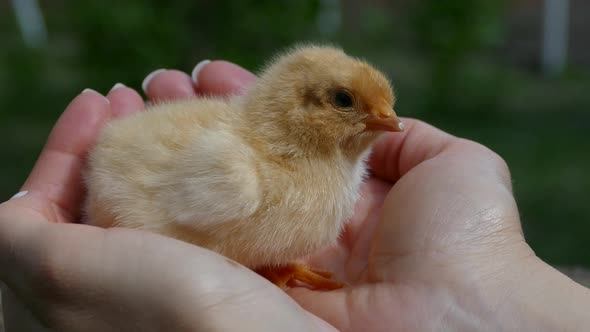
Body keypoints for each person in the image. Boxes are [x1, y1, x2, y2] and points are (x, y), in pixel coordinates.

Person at [1, 60, 588, 332]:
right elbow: (131, 189)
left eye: (384, 108)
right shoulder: (238, 170)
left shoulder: (319, 175)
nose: (388, 123)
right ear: (299, 105)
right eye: (347, 104)